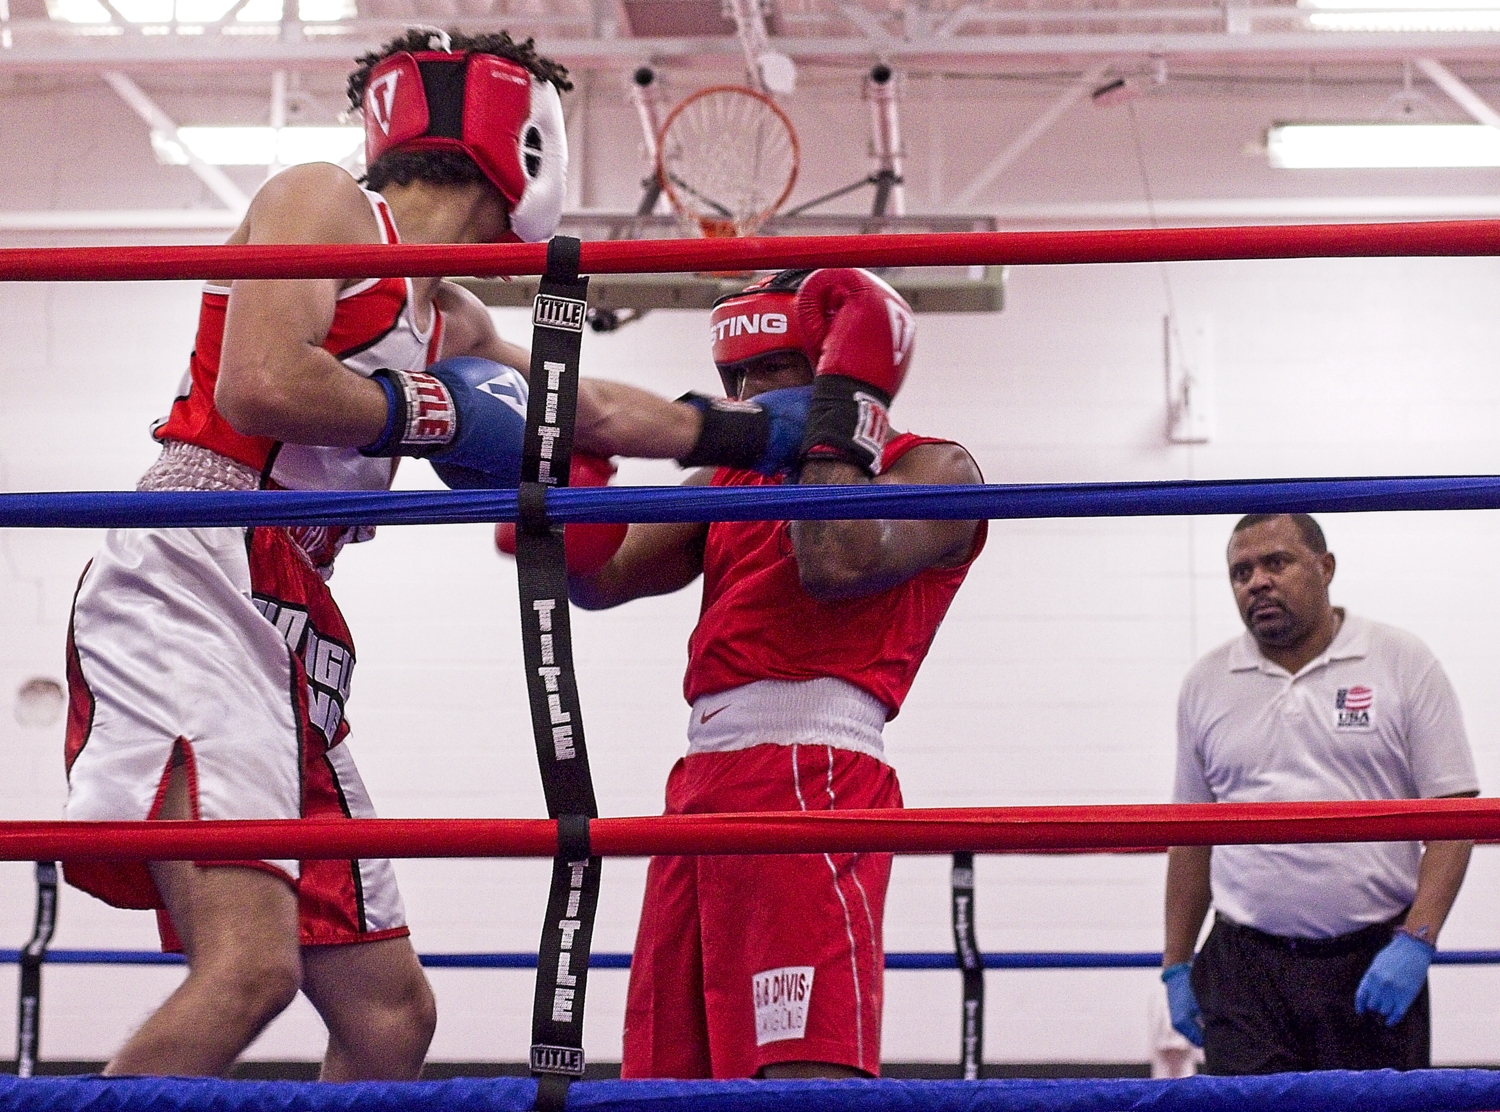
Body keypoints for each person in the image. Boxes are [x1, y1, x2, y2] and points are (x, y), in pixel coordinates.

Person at [60, 29, 808, 1080]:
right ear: (525, 144)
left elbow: (576, 405)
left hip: (292, 610)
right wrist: (432, 414)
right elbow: (258, 383)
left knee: (389, 1015)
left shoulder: (443, 308)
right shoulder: (321, 202)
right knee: (247, 968)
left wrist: (750, 433)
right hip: (199, 565)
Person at [569, 268, 987, 1079]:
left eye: (773, 369)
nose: (749, 392)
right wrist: (570, 505)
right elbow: (604, 579)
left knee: (798, 1068)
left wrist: (840, 418)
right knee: (666, 1078)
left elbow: (837, 558)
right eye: (737, 376)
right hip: (699, 785)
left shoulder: (937, 469)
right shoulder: (731, 480)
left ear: (832, 363)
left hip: (813, 773)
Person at [1162, 512, 1478, 1074]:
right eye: (1240, 572)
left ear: (1325, 567)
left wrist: (1417, 941)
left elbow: (1452, 817)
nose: (1257, 581)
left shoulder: (1402, 661)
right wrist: (1175, 964)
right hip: (1244, 970)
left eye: (1276, 563)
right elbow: (1190, 836)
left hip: (1370, 958)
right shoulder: (1206, 682)